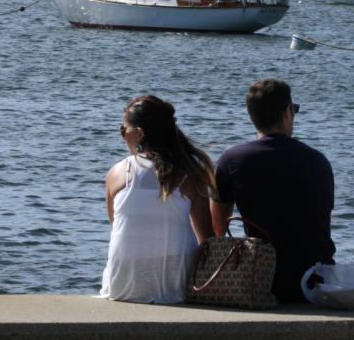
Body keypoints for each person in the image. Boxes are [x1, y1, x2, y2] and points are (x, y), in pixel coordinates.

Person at [210, 78, 335, 303]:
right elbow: (321, 218)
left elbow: (217, 228)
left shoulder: (231, 160)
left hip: (264, 278)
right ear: (287, 112)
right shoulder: (317, 160)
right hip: (317, 279)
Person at [100, 95, 215, 303]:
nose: (122, 136)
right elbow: (206, 239)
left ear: (139, 133)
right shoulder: (189, 174)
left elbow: (116, 224)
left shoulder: (117, 173)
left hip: (122, 285)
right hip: (176, 286)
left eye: (123, 130)